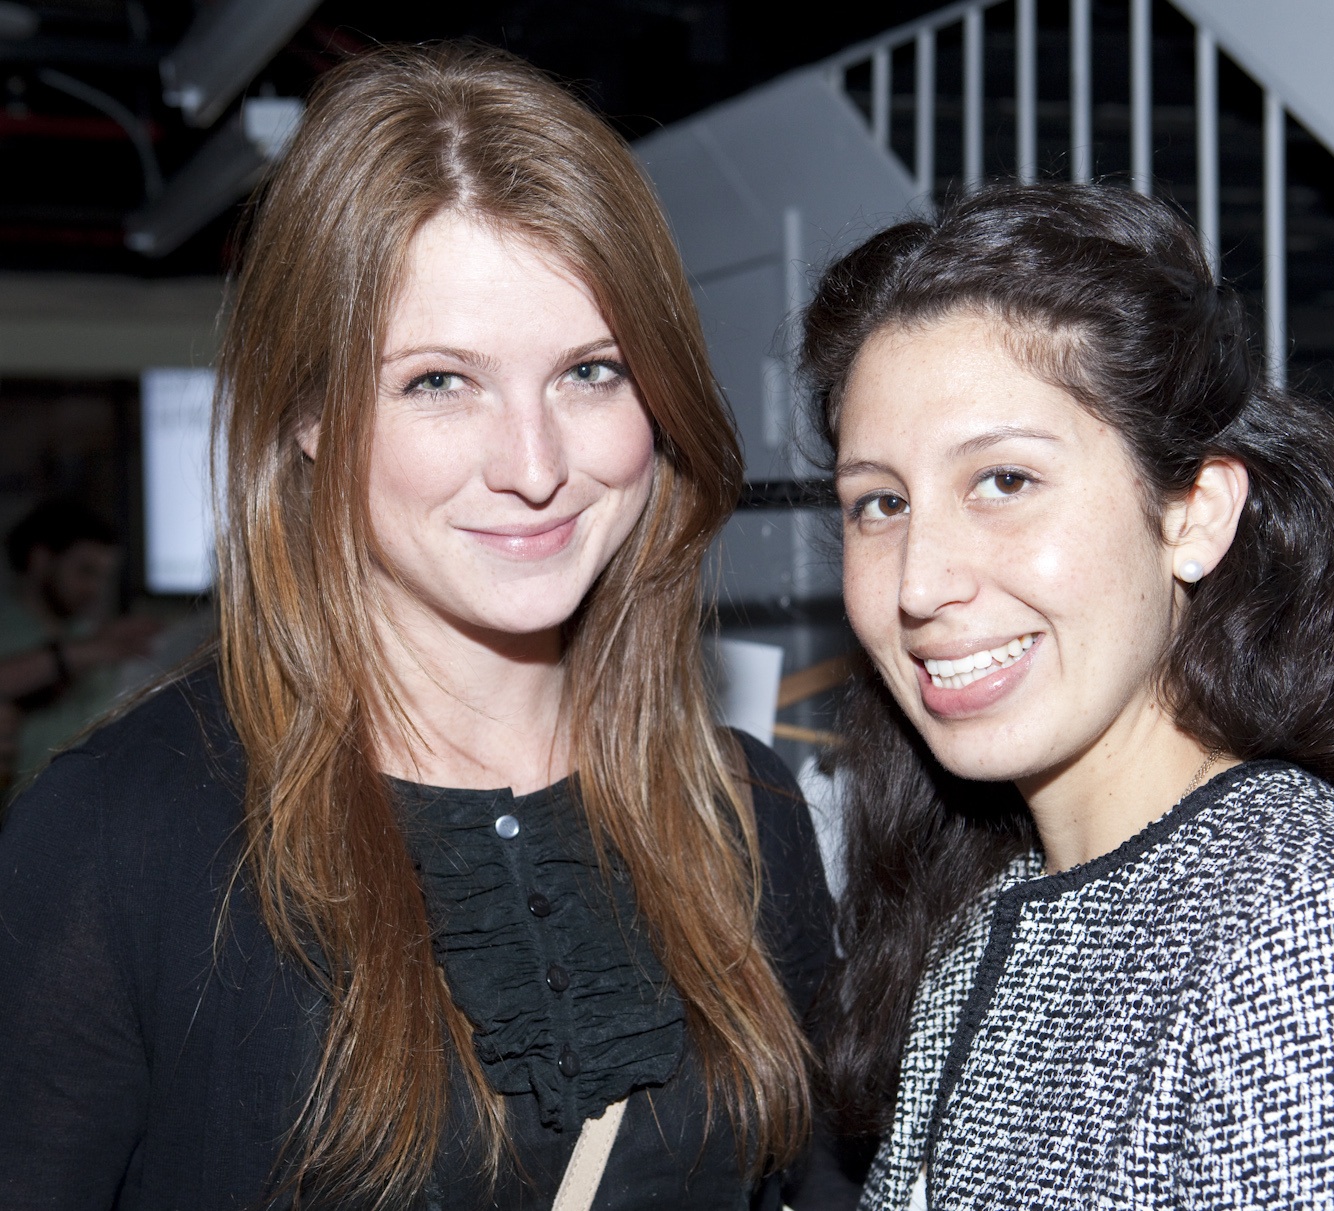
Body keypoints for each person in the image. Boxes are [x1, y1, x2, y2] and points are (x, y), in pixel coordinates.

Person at [0, 44, 844, 1211]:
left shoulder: (743, 815)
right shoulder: (114, 838)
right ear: (305, 413)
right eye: (440, 381)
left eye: (591, 371)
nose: (536, 466)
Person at [803, 184, 1334, 1208]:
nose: (919, 581)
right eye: (880, 502)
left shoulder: (1325, 943)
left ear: (1194, 514)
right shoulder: (986, 912)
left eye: (1005, 481)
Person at [0, 499, 158, 789]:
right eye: (85, 571)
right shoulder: (10, 626)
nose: (95, 589)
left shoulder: (91, 634)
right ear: (41, 560)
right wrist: (84, 653)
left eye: (103, 576)